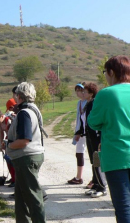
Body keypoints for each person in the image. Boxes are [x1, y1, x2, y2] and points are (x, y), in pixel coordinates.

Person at [87, 55, 130, 222]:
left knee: (124, 206)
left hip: (116, 157)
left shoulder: (106, 94)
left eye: (105, 72)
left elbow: (93, 122)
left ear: (111, 72)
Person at [6, 82, 46, 223]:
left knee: (32, 198)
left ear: (20, 96)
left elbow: (24, 140)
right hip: (31, 156)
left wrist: (9, 145)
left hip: (26, 158)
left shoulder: (24, 113)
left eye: (16, 95)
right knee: (21, 198)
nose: (14, 97)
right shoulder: (33, 109)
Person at [75, 83, 107, 198]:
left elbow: (96, 120)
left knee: (97, 161)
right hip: (88, 135)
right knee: (93, 161)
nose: (82, 93)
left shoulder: (94, 104)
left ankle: (102, 186)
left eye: (85, 92)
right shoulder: (87, 104)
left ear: (91, 94)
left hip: (95, 136)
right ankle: (96, 185)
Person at [68, 83, 88, 186]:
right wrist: (77, 132)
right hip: (81, 132)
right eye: (76, 90)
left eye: (79, 90)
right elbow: (79, 119)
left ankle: (96, 179)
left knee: (94, 155)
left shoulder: (89, 102)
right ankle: (79, 177)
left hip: (88, 132)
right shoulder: (79, 103)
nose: (77, 93)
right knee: (79, 153)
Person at [0, 109, 16, 187]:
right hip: (7, 140)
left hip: (11, 140)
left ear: (2, 116)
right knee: (8, 160)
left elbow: (12, 133)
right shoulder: (0, 122)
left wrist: (7, 144)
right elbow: (1, 133)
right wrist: (1, 144)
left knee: (12, 161)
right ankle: (12, 178)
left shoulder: (8, 120)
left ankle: (15, 180)